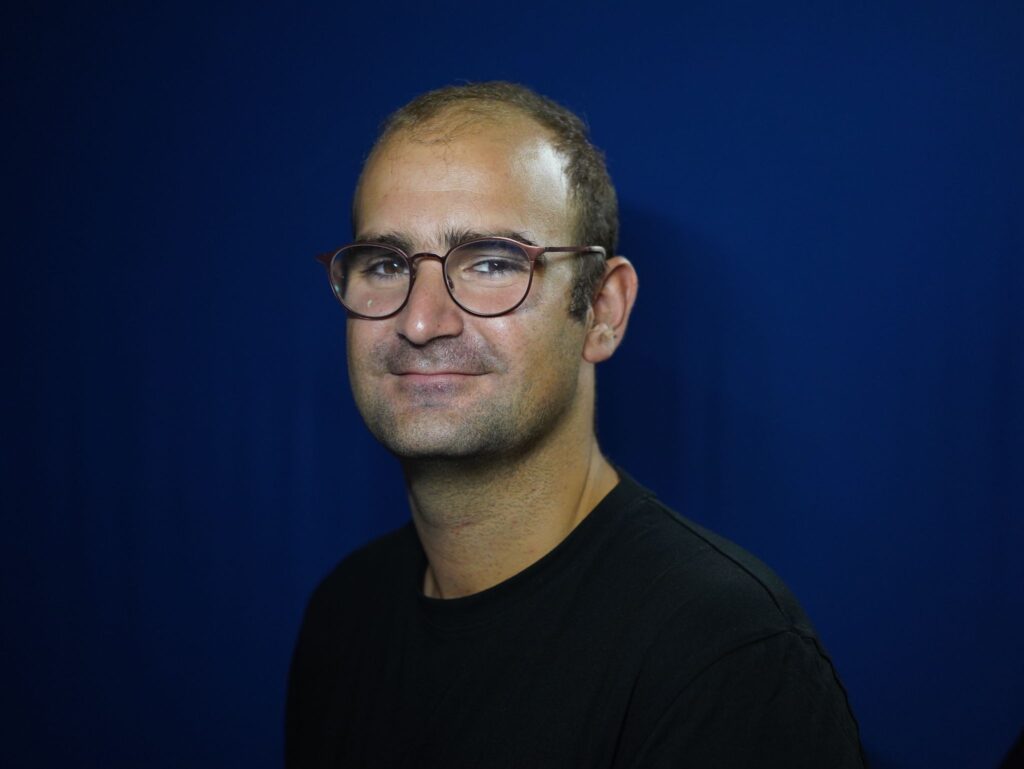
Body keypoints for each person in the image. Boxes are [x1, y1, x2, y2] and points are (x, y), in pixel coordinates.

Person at [287, 81, 865, 768]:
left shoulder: (722, 656)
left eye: (493, 263)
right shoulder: (344, 614)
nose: (419, 321)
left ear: (603, 311)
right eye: (385, 264)